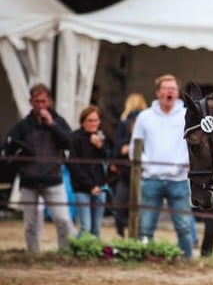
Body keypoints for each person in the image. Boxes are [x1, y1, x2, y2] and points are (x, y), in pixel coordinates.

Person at [4, 83, 75, 252]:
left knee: (63, 220)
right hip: (29, 181)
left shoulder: (58, 121)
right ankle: (33, 255)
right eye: (37, 102)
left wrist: (52, 125)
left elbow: (70, 143)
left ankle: (64, 252)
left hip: (53, 180)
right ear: (31, 102)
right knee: (30, 224)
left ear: (49, 101)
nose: (40, 105)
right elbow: (8, 145)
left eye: (43, 101)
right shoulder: (23, 126)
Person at [130, 74, 194, 259]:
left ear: (177, 92)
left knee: (183, 226)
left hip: (179, 180)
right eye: (166, 88)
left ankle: (186, 260)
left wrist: (183, 165)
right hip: (151, 179)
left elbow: (194, 145)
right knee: (146, 226)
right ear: (158, 92)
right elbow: (135, 146)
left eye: (173, 88)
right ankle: (143, 257)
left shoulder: (186, 115)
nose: (169, 92)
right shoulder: (145, 117)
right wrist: (146, 166)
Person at [68, 105, 110, 238]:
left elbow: (107, 157)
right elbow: (74, 166)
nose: (93, 124)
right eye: (90, 121)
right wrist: (90, 186)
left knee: (96, 227)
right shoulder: (75, 138)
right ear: (83, 122)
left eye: (96, 120)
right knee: (85, 226)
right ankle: (77, 251)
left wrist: (100, 147)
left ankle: (94, 256)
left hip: (100, 186)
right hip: (82, 188)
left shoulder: (100, 136)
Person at [111, 92, 148, 237]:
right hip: (136, 170)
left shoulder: (124, 120)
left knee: (120, 204)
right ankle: (137, 236)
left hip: (128, 170)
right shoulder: (144, 119)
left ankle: (123, 234)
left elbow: (117, 147)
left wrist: (117, 156)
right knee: (138, 206)